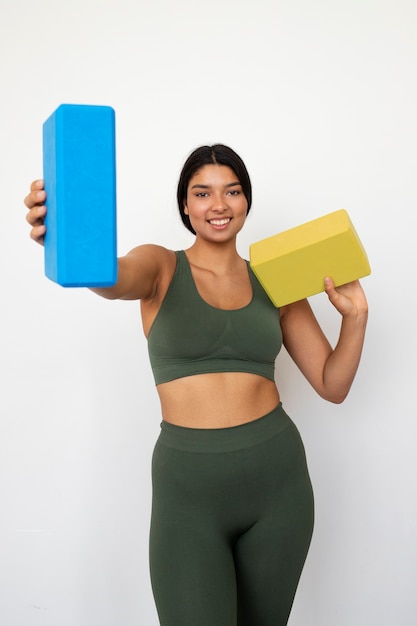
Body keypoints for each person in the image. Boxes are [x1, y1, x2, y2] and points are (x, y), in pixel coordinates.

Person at [24, 144, 368, 626]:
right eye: (202, 193)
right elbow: (109, 276)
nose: (218, 205)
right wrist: (64, 235)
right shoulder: (161, 267)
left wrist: (355, 318)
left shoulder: (274, 281)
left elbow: (332, 384)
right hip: (188, 492)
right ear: (185, 205)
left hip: (279, 486)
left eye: (231, 191)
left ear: (247, 201)